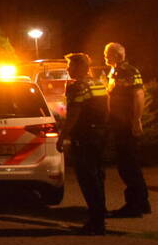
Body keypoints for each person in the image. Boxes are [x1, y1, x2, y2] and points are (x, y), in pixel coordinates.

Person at [57, 53, 108, 235]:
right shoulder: (99, 84)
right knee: (98, 176)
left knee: (87, 179)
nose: (68, 69)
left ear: (80, 67)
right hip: (100, 134)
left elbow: (73, 114)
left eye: (70, 66)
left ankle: (95, 223)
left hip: (85, 136)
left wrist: (62, 136)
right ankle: (100, 218)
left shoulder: (77, 87)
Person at [103, 42, 150, 217]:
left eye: (107, 54)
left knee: (127, 166)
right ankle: (142, 202)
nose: (105, 57)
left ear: (116, 55)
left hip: (126, 125)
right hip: (119, 124)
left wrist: (136, 120)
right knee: (129, 164)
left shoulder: (128, 71)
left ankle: (134, 206)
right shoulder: (115, 71)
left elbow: (138, 94)